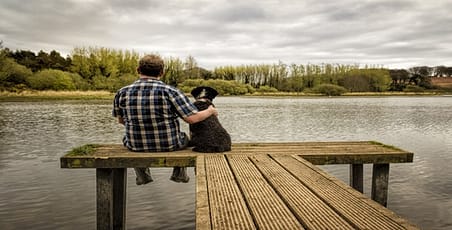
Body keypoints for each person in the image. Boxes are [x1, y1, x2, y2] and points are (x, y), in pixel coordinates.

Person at [112, 54, 217, 185]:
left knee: (128, 138)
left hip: (135, 145)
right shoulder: (171, 91)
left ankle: (142, 175)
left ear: (138, 70)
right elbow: (192, 119)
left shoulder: (122, 92)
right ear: (162, 72)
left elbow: (121, 121)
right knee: (183, 137)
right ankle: (179, 174)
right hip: (170, 145)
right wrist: (210, 111)